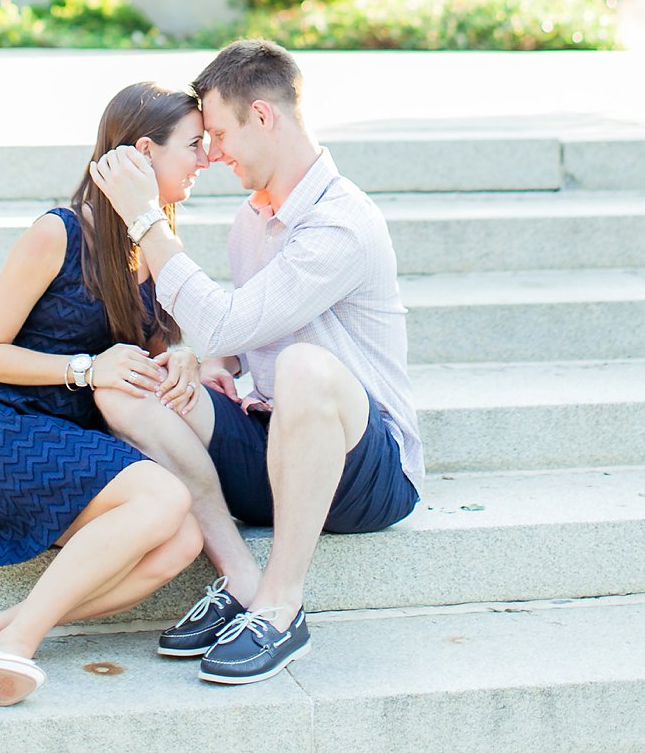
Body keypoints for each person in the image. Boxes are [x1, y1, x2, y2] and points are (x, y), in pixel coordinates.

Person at [87, 38, 423, 685]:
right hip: (273, 442)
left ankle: (281, 604)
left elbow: (231, 320)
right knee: (128, 387)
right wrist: (204, 360)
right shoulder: (254, 218)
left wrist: (144, 219)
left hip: (366, 470)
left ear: (263, 117)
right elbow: (238, 329)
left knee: (303, 366)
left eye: (216, 132)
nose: (210, 153)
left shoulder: (341, 224)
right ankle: (241, 580)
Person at [0, 82, 211, 706]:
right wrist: (87, 369)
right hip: (8, 430)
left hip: (77, 438)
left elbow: (143, 350)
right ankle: (19, 644)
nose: (205, 160)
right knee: (166, 496)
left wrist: (181, 355)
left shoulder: (153, 240)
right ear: (145, 152)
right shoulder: (59, 233)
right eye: (195, 145)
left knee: (184, 539)